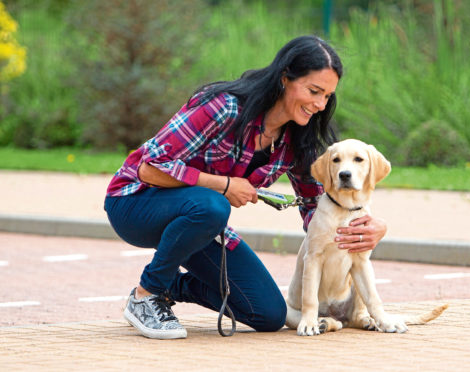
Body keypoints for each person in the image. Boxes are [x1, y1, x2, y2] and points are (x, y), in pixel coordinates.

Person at [104, 35, 388, 339]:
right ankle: (146, 296)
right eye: (314, 91)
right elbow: (151, 168)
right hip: (134, 202)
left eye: (327, 96)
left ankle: (172, 285)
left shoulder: (297, 140)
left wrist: (367, 228)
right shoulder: (225, 108)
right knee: (212, 205)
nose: (320, 105)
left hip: (200, 223)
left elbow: (315, 210)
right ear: (284, 79)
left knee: (267, 313)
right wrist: (224, 185)